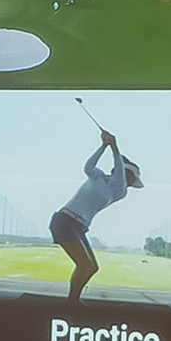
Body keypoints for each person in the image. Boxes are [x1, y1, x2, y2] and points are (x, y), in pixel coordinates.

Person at [49, 127, 142, 302]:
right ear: (128, 174)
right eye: (131, 179)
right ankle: (72, 302)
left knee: (92, 267)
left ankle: (73, 301)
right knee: (85, 265)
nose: (130, 183)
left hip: (79, 226)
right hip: (65, 220)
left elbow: (120, 176)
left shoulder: (120, 191)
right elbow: (88, 167)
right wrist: (104, 146)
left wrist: (114, 147)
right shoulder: (97, 175)